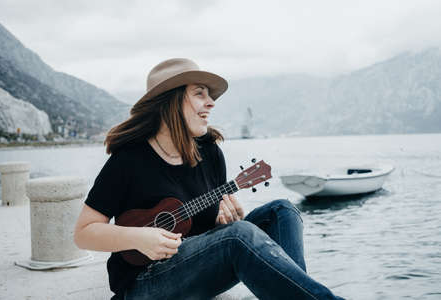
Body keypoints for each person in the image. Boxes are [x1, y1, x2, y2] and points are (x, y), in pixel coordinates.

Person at [74, 58, 345, 300]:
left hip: (192, 268)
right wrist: (139, 238)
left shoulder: (210, 152)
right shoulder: (129, 160)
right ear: (171, 101)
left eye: (209, 95)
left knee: (281, 211)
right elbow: (84, 234)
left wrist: (222, 219)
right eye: (199, 94)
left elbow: (207, 233)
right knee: (238, 237)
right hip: (143, 284)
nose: (211, 102)